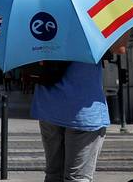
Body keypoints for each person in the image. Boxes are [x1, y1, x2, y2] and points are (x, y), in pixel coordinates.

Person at [29, 38, 123, 182]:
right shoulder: (91, 19)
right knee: (77, 178)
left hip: (48, 104)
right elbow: (119, 48)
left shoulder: (46, 17)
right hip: (82, 108)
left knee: (54, 175)